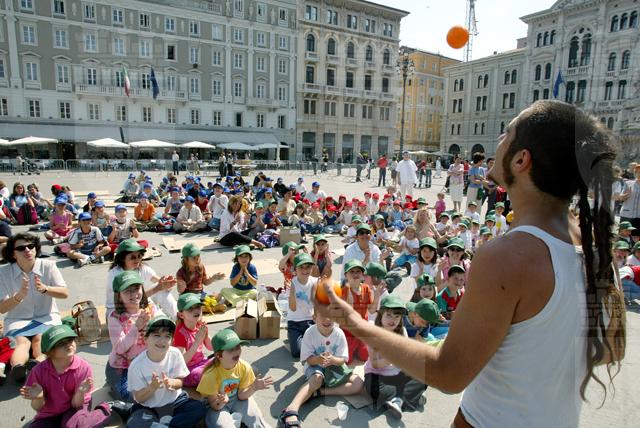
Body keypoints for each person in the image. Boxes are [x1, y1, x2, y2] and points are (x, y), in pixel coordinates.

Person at [314, 100, 626, 427]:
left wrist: (355, 323)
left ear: (521, 160)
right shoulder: (597, 249)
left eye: (507, 134)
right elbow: (612, 348)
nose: (498, 142)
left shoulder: (507, 255)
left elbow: (448, 374)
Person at [0, 233, 69, 382]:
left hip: (47, 316)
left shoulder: (49, 266)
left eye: (30, 246)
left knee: (40, 339)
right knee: (22, 342)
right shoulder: (3, 272)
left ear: (36, 249)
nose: (27, 250)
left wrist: (45, 289)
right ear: (13, 254)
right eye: (21, 248)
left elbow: (64, 293)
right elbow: (2, 308)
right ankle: (18, 368)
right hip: (17, 318)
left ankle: (37, 364)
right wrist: (19, 296)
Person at [278, 313, 364, 427]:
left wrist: (333, 360)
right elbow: (308, 360)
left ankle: (319, 392)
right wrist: (318, 359)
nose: (327, 319)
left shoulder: (339, 333)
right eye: (323, 315)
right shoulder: (310, 333)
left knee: (358, 383)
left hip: (334, 366)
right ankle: (291, 409)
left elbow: (342, 360)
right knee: (317, 379)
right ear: (314, 318)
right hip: (315, 365)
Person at [20, 325, 112, 427]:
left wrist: (80, 392)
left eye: (70, 340)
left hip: (73, 408)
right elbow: (37, 407)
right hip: (48, 414)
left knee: (76, 425)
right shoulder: (38, 371)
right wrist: (39, 398)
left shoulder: (83, 367)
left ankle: (105, 409)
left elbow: (76, 404)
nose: (68, 344)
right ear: (49, 351)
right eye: (61, 343)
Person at [127, 315, 206, 428]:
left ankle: (165, 425)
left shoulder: (175, 354)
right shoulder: (137, 365)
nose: (162, 340)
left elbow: (180, 381)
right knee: (135, 423)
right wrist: (152, 387)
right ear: (145, 339)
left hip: (175, 402)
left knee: (198, 408)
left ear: (172, 340)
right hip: (149, 407)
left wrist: (172, 383)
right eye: (156, 335)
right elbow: (139, 398)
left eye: (167, 336)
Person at [364, 295, 427, 419]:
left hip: (397, 374)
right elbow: (375, 364)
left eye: (397, 316)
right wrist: (390, 359)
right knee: (375, 389)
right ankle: (408, 398)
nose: (392, 320)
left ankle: (397, 400)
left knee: (423, 376)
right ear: (380, 314)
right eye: (388, 315)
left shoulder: (402, 331)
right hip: (377, 376)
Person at [197, 329, 273, 428]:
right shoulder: (210, 374)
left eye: (238, 347)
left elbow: (242, 396)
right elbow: (214, 405)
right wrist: (221, 402)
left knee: (256, 417)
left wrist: (253, 388)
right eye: (230, 349)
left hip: (237, 399)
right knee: (224, 425)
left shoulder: (244, 367)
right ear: (218, 355)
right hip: (217, 406)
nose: (236, 351)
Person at [106, 270, 163, 402]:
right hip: (122, 368)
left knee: (161, 391)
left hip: (146, 364)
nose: (134, 294)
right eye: (127, 291)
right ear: (119, 296)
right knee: (131, 398)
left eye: (136, 288)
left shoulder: (151, 308)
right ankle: (114, 390)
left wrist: (156, 325)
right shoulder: (114, 317)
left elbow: (165, 329)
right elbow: (120, 348)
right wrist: (136, 327)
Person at [105, 239, 178, 318]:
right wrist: (158, 287)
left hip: (138, 303)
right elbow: (130, 299)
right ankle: (160, 319)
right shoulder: (116, 274)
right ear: (122, 258)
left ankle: (178, 319)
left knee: (162, 291)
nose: (137, 260)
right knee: (157, 293)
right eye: (132, 257)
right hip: (119, 309)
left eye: (139, 256)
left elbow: (157, 281)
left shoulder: (141, 268)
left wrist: (168, 283)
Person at [173, 294, 213, 388]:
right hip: (188, 369)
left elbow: (211, 347)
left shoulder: (199, 325)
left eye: (198, 307)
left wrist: (206, 335)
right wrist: (197, 341)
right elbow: (182, 361)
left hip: (202, 362)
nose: (196, 311)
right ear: (181, 315)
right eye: (190, 309)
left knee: (223, 361)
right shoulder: (180, 333)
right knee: (204, 374)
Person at [287, 253, 318, 358]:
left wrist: (316, 316)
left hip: (310, 320)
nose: (305, 270)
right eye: (301, 267)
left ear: (312, 268)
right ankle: (293, 335)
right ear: (295, 269)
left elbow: (315, 302)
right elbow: (293, 308)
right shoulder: (292, 283)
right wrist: (292, 291)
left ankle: (302, 338)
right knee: (297, 352)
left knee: (318, 347)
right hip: (294, 322)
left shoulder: (315, 281)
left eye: (308, 267)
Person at [619, 164, 640, 229]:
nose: (639, 174)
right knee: (623, 234)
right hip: (626, 216)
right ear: (635, 173)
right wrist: (626, 195)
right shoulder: (628, 183)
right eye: (638, 172)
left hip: (638, 217)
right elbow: (620, 198)